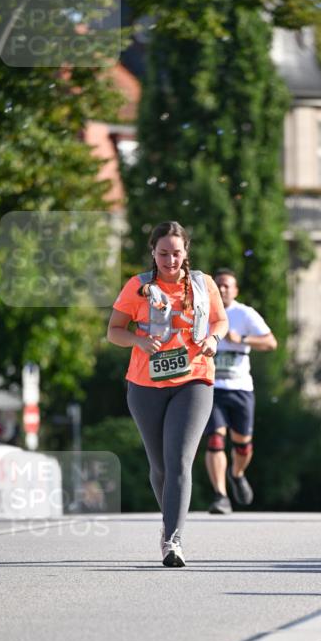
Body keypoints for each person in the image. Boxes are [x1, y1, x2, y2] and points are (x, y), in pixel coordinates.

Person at [107, 221, 228, 567]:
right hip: (145, 386)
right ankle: (170, 519)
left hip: (194, 381)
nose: (170, 260)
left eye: (176, 253)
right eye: (163, 254)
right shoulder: (138, 287)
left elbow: (220, 321)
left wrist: (213, 340)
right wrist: (138, 340)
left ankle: (173, 540)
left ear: (186, 252)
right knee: (159, 466)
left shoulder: (203, 285)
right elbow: (114, 332)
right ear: (152, 252)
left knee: (178, 460)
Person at [204, 269, 277, 514]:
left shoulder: (244, 314)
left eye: (227, 286)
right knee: (215, 439)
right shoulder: (201, 312)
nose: (223, 289)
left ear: (235, 291)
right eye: (219, 285)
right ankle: (220, 496)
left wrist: (243, 339)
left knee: (243, 446)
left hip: (241, 389)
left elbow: (270, 342)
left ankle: (237, 473)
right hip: (211, 388)